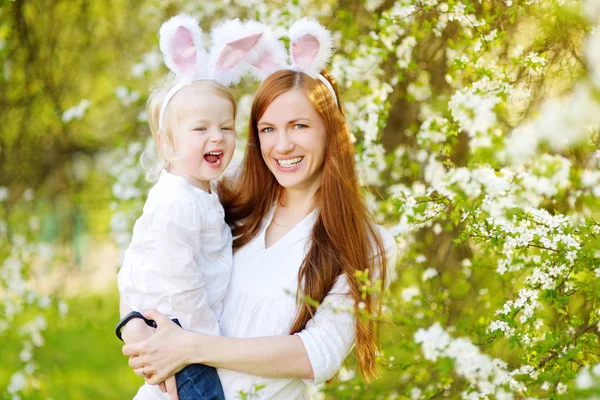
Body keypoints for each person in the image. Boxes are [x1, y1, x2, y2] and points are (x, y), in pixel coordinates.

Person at [121, 18, 397, 400]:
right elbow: (148, 260)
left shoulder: (367, 243)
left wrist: (189, 346)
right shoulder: (226, 198)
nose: (282, 145)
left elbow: (318, 355)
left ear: (330, 130)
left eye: (299, 125)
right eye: (267, 129)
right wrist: (133, 325)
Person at [115, 14, 263, 400]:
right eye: (200, 129)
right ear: (166, 142)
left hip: (186, 333)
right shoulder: (178, 202)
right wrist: (206, 342)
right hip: (181, 333)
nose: (216, 137)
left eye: (226, 127)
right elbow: (180, 281)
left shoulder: (202, 191)